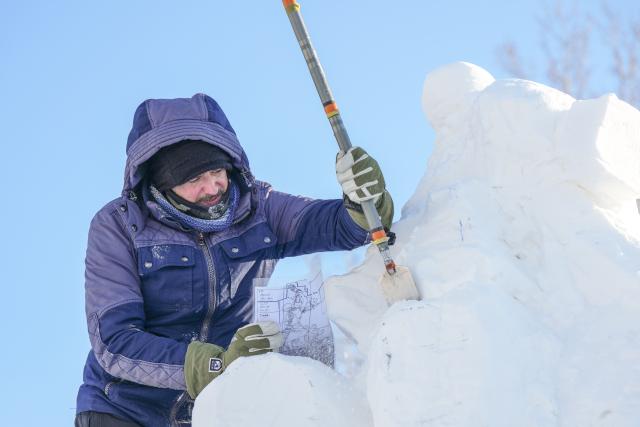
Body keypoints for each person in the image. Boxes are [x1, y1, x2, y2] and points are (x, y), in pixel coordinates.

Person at [75, 93, 393, 426]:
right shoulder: (120, 226)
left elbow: (338, 226)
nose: (212, 187)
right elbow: (115, 341)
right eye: (193, 179)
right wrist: (215, 364)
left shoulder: (258, 208)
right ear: (160, 183)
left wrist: (363, 202)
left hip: (213, 409)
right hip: (124, 411)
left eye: (216, 170)